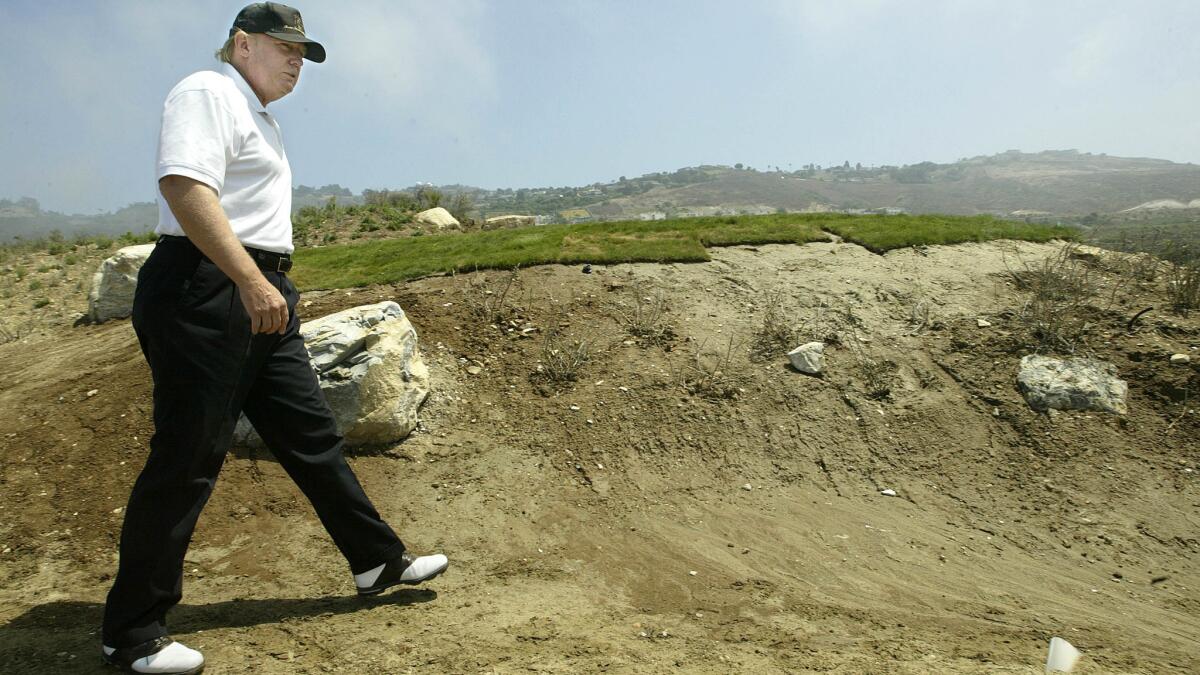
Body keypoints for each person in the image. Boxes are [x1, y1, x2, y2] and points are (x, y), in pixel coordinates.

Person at [100, 5, 447, 673]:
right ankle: (132, 630)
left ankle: (377, 560)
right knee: (188, 454)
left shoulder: (259, 115)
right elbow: (183, 187)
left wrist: (271, 287)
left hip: (257, 291)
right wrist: (250, 281)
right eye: (284, 47)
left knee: (313, 439)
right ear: (241, 42)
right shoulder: (208, 90)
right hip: (208, 289)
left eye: (303, 53)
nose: (296, 62)